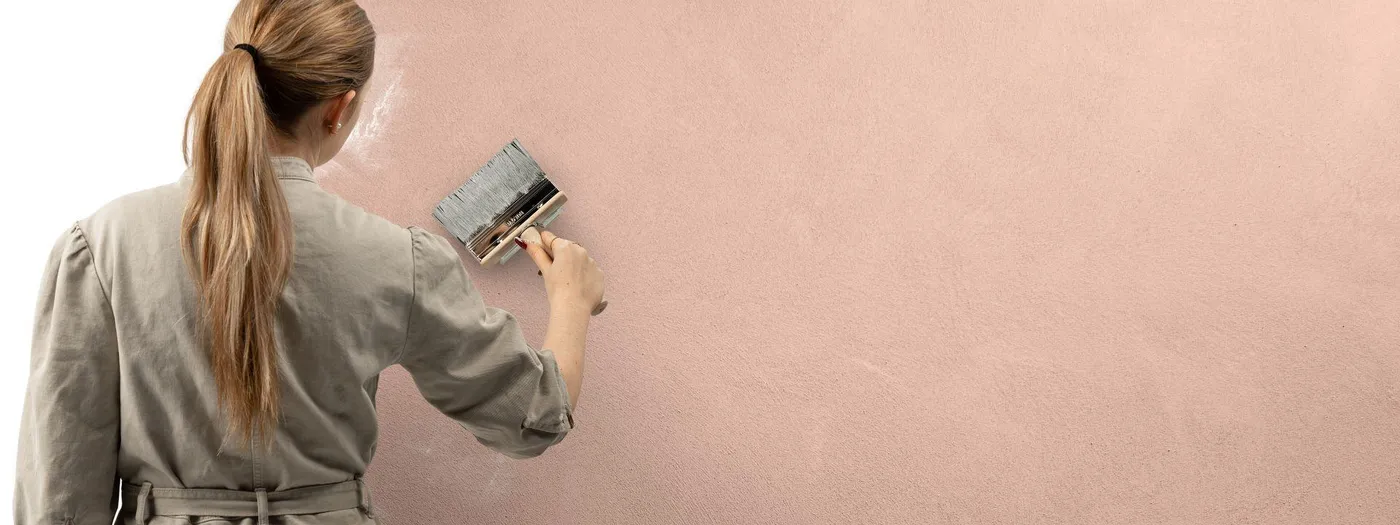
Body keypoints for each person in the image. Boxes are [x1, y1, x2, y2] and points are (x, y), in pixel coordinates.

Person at [14, 0, 605, 523]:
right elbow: (532, 418)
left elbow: (59, 497)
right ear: (339, 109)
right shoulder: (398, 259)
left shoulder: (100, 247)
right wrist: (571, 300)